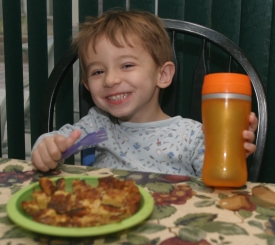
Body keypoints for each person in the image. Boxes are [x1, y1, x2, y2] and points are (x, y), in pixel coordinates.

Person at [31, 10, 258, 176]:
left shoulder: (192, 136)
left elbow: (213, 187)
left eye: (127, 65)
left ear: (163, 75)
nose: (110, 80)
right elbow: (60, 141)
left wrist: (230, 152)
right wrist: (47, 147)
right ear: (87, 85)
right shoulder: (97, 126)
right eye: (98, 71)